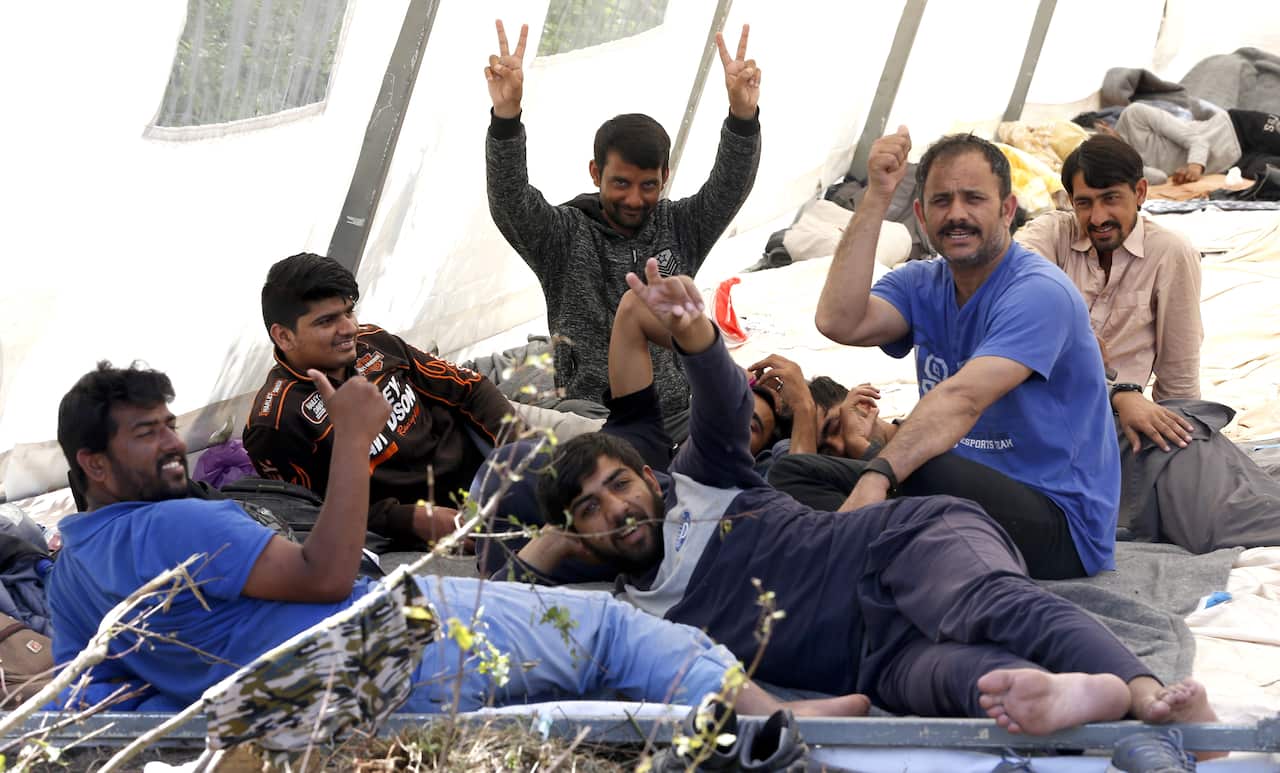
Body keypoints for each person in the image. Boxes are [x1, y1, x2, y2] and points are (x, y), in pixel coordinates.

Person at [498, 260, 1215, 733]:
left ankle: (1148, 692)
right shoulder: (624, 611)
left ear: (650, 478)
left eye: (618, 484)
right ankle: (1069, 693)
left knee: (987, 602)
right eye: (590, 507)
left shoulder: (701, 480)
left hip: (895, 549)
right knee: (971, 683)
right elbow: (503, 618)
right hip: (870, 660)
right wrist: (557, 539)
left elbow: (719, 399)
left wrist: (697, 333)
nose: (615, 508)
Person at [47, 360, 869, 719]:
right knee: (616, 631)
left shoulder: (72, 562)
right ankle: (778, 724)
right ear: (94, 461)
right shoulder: (178, 518)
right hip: (384, 642)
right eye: (146, 434)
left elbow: (93, 693)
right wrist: (351, 440)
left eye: (168, 425)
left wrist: (229, 694)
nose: (172, 445)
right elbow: (329, 574)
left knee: (564, 673)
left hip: (309, 695)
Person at [813, 130, 1119, 580]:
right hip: (963, 490)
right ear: (920, 215)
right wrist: (877, 196)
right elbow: (839, 321)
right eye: (941, 201)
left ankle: (843, 560)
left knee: (912, 465)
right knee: (798, 472)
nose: (956, 214)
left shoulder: (1039, 293)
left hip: (1060, 526)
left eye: (974, 198)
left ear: (1008, 210)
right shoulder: (920, 283)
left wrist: (878, 474)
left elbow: (962, 400)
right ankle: (829, 555)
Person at [484, 19, 762, 443]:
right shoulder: (563, 236)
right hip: (593, 415)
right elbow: (510, 200)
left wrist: (743, 116)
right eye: (621, 183)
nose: (634, 199)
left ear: (665, 177)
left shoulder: (680, 226)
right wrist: (506, 119)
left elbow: (729, 187)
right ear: (596, 173)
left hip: (675, 414)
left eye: (648, 185)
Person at [243, 253, 522, 548]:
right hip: (428, 518)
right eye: (327, 321)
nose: (349, 328)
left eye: (349, 312)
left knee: (568, 455)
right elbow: (314, 516)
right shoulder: (275, 422)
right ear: (284, 336)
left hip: (484, 457)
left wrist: (518, 449)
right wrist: (409, 519)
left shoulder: (374, 342)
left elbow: (471, 388)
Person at [1016, 134, 1201, 454]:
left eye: (1111, 198)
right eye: (1084, 203)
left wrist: (1184, 438)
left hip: (1114, 424)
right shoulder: (1053, 233)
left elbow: (1179, 376)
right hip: (1032, 409)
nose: (1098, 217)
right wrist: (1075, 328)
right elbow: (1010, 276)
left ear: (1140, 192)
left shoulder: (1170, 253)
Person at [1106, 102, 1280, 184]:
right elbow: (1159, 178)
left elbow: (1198, 140)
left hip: (1234, 128)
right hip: (1232, 163)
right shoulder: (1128, 166)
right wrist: (1125, 168)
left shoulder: (1134, 115)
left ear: (1104, 128)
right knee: (1272, 178)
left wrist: (1194, 166)